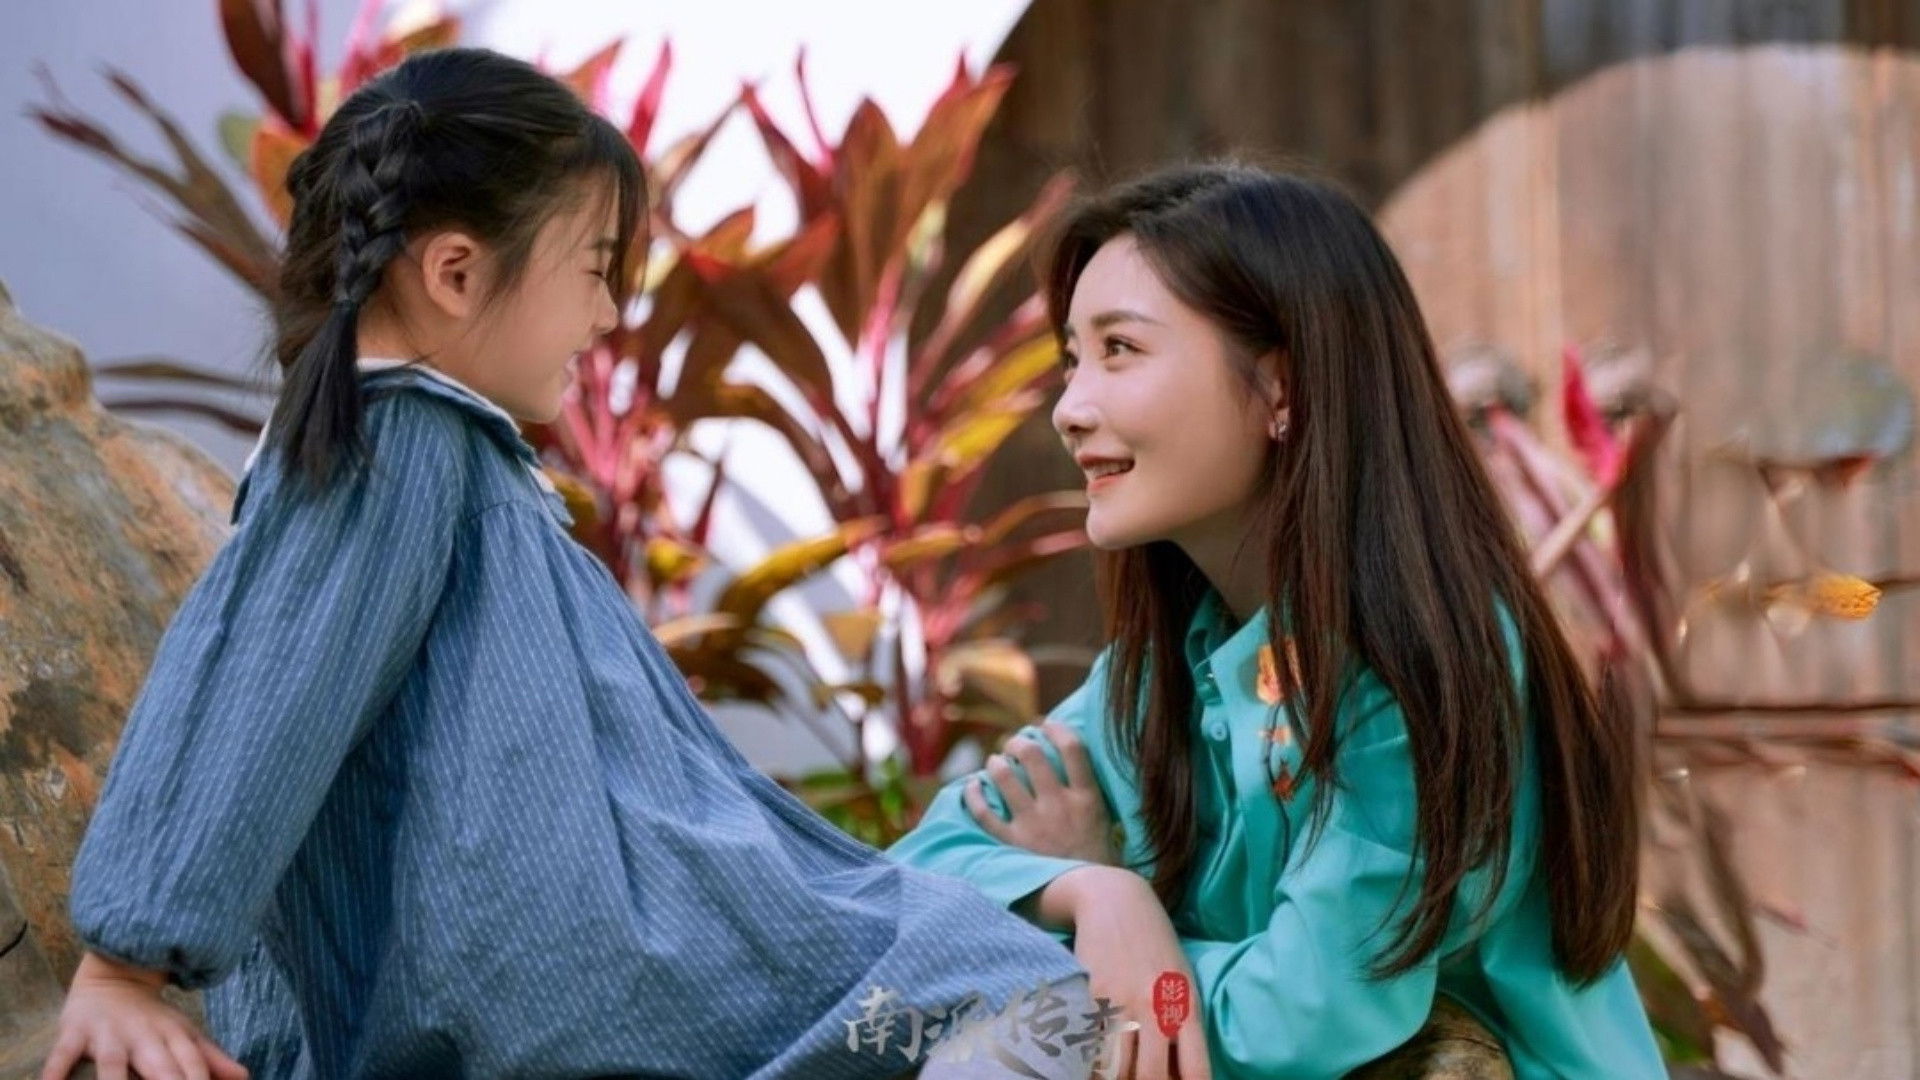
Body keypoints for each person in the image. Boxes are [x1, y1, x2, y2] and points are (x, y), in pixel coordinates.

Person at [42, 46, 1099, 1080]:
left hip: (584, 977)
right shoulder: (400, 440)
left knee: (996, 973)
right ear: (456, 273)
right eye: (596, 268)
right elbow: (261, 689)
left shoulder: (424, 451)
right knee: (1023, 990)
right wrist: (126, 964)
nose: (608, 313)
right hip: (590, 985)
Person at [888, 162, 1666, 1080]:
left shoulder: (1413, 666)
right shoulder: (1166, 672)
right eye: (1072, 359)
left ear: (1281, 388)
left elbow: (1298, 1022)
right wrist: (1093, 894)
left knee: (1013, 1052)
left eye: (1119, 350)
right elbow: (916, 877)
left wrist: (1141, 935)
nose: (1070, 409)